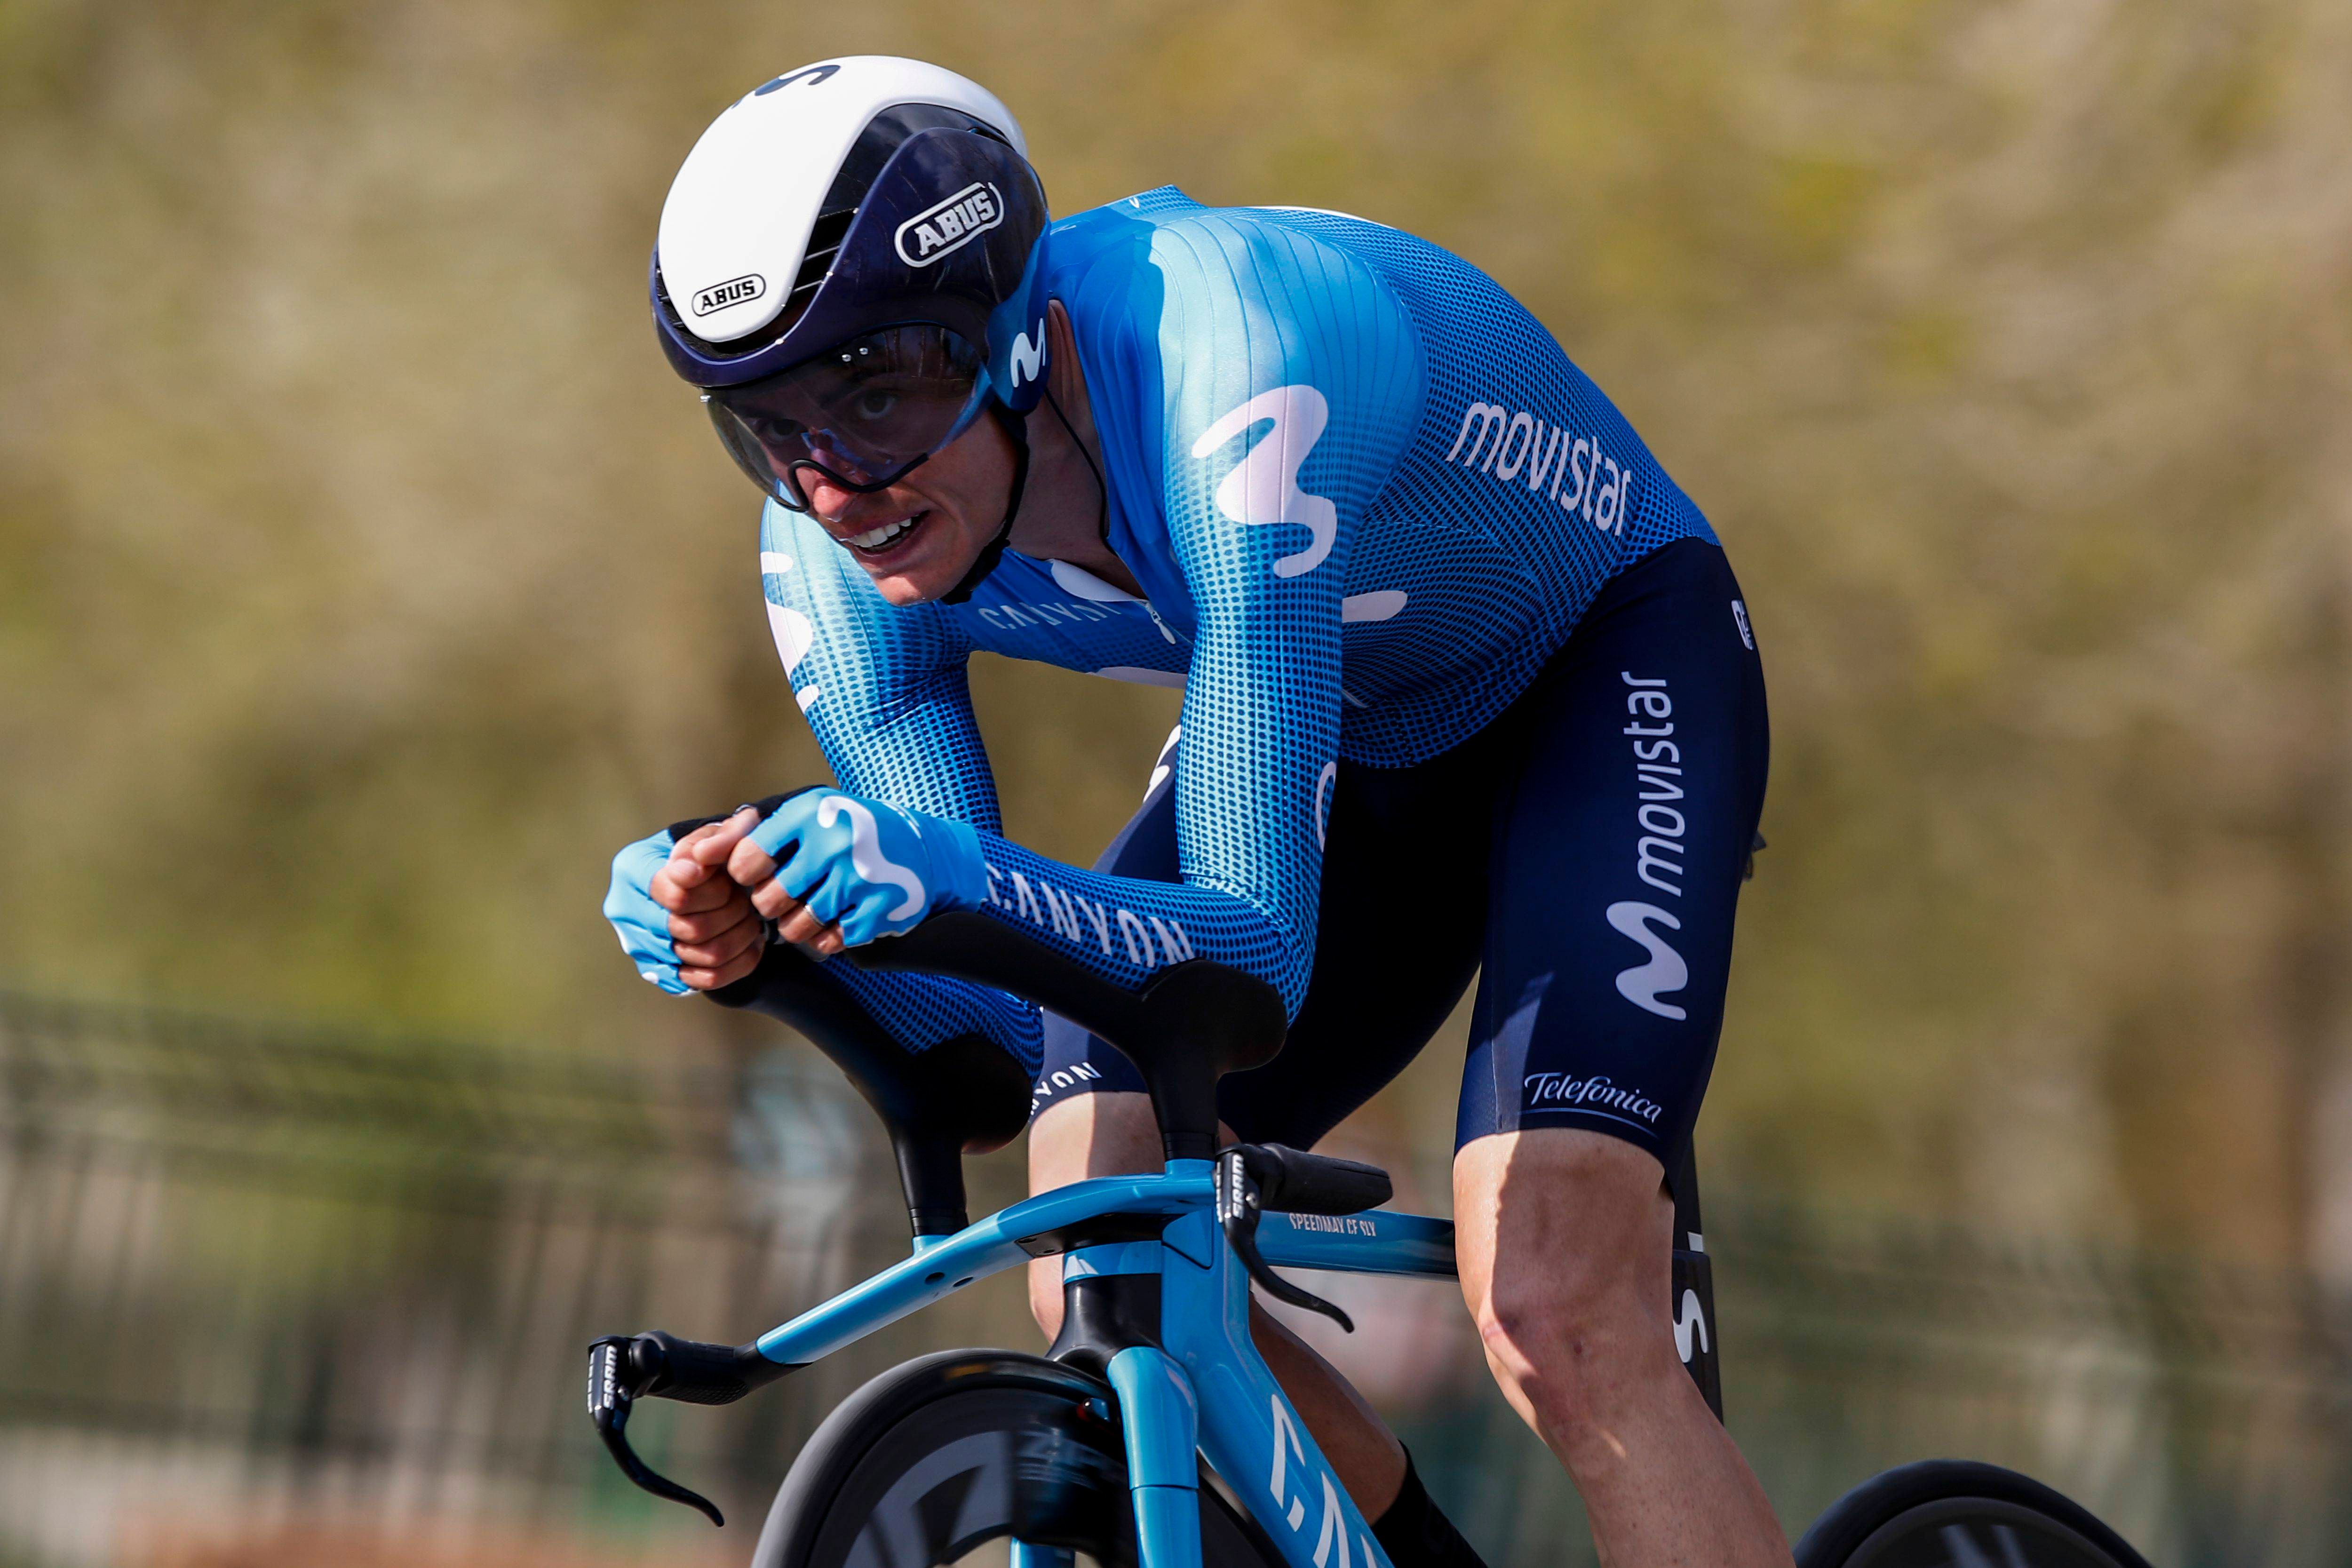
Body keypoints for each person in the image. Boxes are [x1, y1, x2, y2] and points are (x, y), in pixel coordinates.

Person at [603, 55, 1785, 1568]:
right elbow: (984, 1047)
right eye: (767, 427)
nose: (830, 485)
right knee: (1091, 1240)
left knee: (1552, 1289)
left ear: (1015, 337)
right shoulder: (829, 567)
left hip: (1601, 670)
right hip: (1364, 715)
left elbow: (1246, 962)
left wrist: (943, 865)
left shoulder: (1232, 365)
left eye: (875, 395)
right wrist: (776, 946)